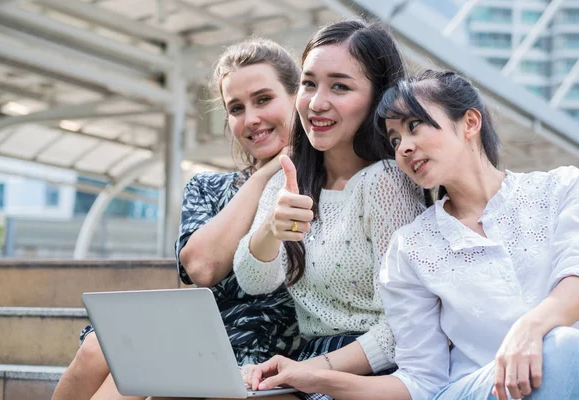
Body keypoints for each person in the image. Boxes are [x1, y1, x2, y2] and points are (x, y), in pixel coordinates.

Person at [242, 70, 579, 400]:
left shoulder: (561, 188)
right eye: (395, 139)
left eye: (414, 126)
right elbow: (419, 383)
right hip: (471, 392)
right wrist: (316, 378)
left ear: (470, 123)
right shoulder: (411, 247)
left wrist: (529, 329)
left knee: (563, 348)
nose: (403, 147)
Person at [52, 38, 303, 400]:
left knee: (146, 372)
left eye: (264, 99)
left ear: (297, 97)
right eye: (235, 108)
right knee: (97, 347)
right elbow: (201, 266)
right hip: (201, 333)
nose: (251, 119)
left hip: (264, 345)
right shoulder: (207, 187)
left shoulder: (316, 186)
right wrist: (264, 174)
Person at [234, 20, 426, 400]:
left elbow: (408, 325)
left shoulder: (387, 181)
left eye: (340, 86)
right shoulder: (289, 181)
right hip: (309, 359)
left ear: (378, 98)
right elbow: (254, 281)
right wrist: (272, 230)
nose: (316, 102)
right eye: (308, 84)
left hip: (375, 369)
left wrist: (312, 371)